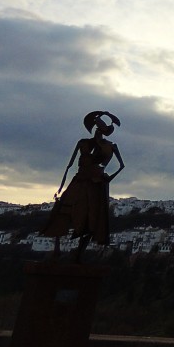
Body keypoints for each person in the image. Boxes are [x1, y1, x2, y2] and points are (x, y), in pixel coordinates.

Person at [41, 111, 125, 261]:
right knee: (63, 211)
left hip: (95, 183)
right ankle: (58, 250)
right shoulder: (84, 143)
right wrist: (61, 187)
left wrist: (108, 178)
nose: (100, 132)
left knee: (91, 219)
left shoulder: (110, 146)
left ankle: (78, 253)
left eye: (102, 130)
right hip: (80, 180)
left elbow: (122, 165)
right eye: (98, 129)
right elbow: (70, 165)